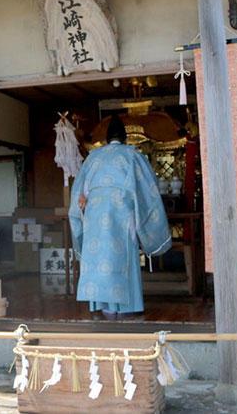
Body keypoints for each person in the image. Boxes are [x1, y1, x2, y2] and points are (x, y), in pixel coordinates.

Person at [69, 115, 171, 320]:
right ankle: (125, 306)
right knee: (122, 255)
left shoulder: (93, 157)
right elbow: (147, 191)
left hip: (94, 214)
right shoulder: (133, 155)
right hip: (122, 213)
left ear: (106, 139)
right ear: (125, 138)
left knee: (99, 257)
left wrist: (81, 212)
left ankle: (102, 305)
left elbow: (78, 192)